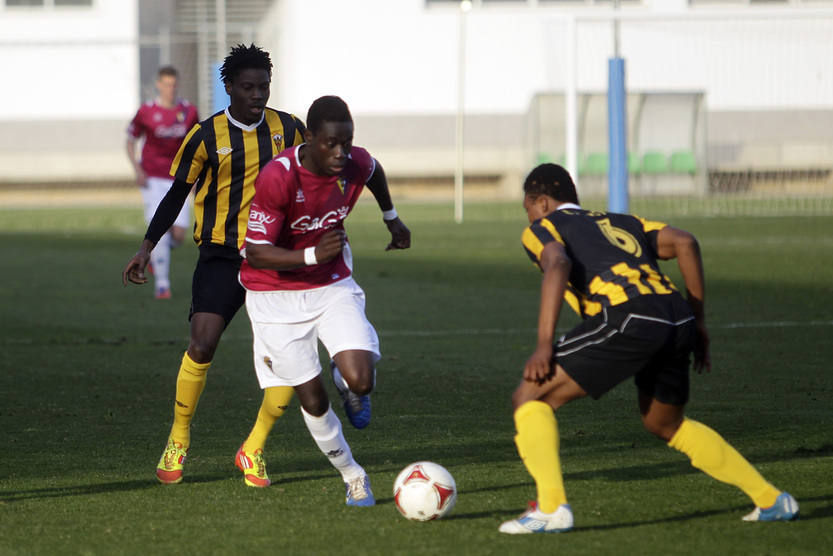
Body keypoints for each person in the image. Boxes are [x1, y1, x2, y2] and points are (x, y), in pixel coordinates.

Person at [499, 163, 798, 534]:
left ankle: (550, 508)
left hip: (630, 316)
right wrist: (699, 322)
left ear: (541, 202)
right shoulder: (623, 221)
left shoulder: (543, 228)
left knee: (530, 396)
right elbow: (686, 242)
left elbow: (557, 263)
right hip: (677, 317)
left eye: (527, 208)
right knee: (665, 423)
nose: (528, 216)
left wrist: (544, 344)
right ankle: (771, 500)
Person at [122, 44, 307, 485]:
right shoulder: (205, 136)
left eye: (263, 86)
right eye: (248, 87)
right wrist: (147, 246)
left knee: (288, 358)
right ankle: (179, 436)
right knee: (202, 344)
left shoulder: (290, 129)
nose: (258, 95)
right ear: (228, 88)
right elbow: (175, 194)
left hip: (274, 261)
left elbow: (311, 182)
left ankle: (254, 447)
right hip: (222, 256)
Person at [236, 95, 411, 503]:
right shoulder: (278, 177)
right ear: (310, 138)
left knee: (361, 380)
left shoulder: (354, 163)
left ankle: (345, 378)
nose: (340, 152)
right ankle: (353, 476)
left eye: (346, 142)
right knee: (312, 400)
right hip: (274, 298)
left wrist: (391, 217)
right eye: (331, 143)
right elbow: (257, 251)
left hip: (331, 285)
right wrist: (313, 254)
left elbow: (373, 170)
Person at [126, 65, 199, 299]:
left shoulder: (189, 112)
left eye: (173, 84)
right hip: (153, 178)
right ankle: (162, 285)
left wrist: (197, 176)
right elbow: (130, 140)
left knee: (178, 235)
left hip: (179, 178)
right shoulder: (146, 111)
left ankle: (155, 256)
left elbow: (197, 144)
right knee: (162, 232)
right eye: (166, 84)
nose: (170, 89)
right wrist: (137, 169)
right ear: (158, 85)